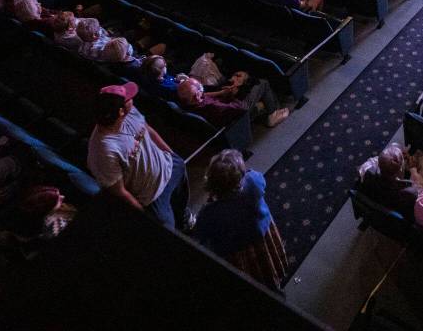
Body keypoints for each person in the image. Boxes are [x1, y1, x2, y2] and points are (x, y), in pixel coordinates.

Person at [87, 82, 191, 230]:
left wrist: (171, 155)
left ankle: (183, 218)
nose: (131, 98)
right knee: (169, 232)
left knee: (180, 199)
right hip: (151, 197)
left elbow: (147, 129)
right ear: (120, 111)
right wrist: (144, 216)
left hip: (169, 166)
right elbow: (119, 192)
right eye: (127, 98)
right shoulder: (103, 150)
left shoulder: (130, 112)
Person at [192, 150, 288, 290]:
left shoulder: (209, 213)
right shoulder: (253, 182)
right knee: (266, 267)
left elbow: (200, 234)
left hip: (236, 249)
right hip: (261, 234)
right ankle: (275, 285)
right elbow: (261, 179)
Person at [356, 143, 423, 218]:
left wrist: (391, 156)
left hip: (381, 200)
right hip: (405, 210)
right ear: (400, 170)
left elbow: (369, 163)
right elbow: (420, 189)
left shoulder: (368, 174)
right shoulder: (410, 192)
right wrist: (413, 170)